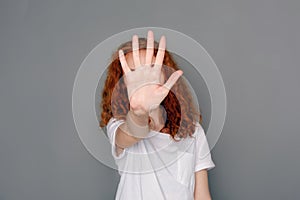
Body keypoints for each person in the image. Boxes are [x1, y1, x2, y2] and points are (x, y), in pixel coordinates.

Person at [99, 30, 215, 200]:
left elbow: (202, 195)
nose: (144, 78)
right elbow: (131, 133)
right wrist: (139, 111)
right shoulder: (117, 125)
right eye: (133, 72)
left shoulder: (193, 130)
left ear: (165, 73)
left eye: (152, 68)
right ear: (123, 84)